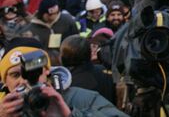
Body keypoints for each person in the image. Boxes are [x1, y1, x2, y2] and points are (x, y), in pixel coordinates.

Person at [0, 41, 128, 116]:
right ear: (4, 82)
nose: (24, 80)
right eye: (15, 75)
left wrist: (69, 114)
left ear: (47, 71)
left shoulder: (80, 98)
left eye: (33, 72)